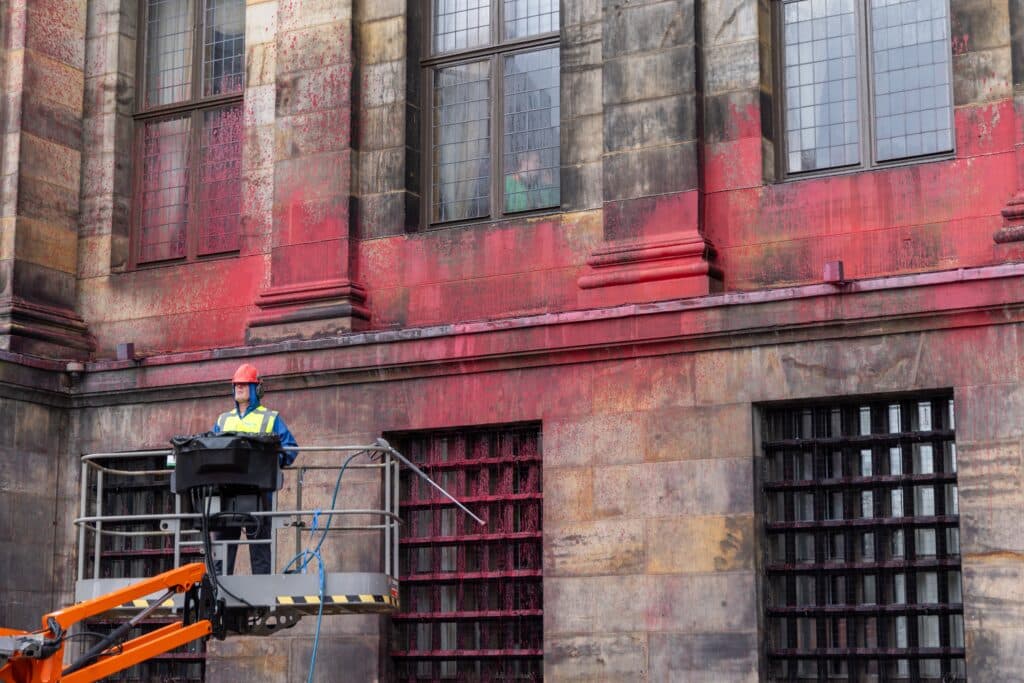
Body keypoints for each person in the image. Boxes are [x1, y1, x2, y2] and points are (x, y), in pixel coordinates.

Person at [211, 363, 298, 575]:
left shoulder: (270, 418)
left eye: (245, 384)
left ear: (256, 389)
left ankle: (262, 600)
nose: (239, 387)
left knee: (260, 547)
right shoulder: (223, 420)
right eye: (237, 384)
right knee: (223, 549)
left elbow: (290, 449)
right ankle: (219, 591)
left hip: (258, 493)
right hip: (227, 493)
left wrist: (271, 462)